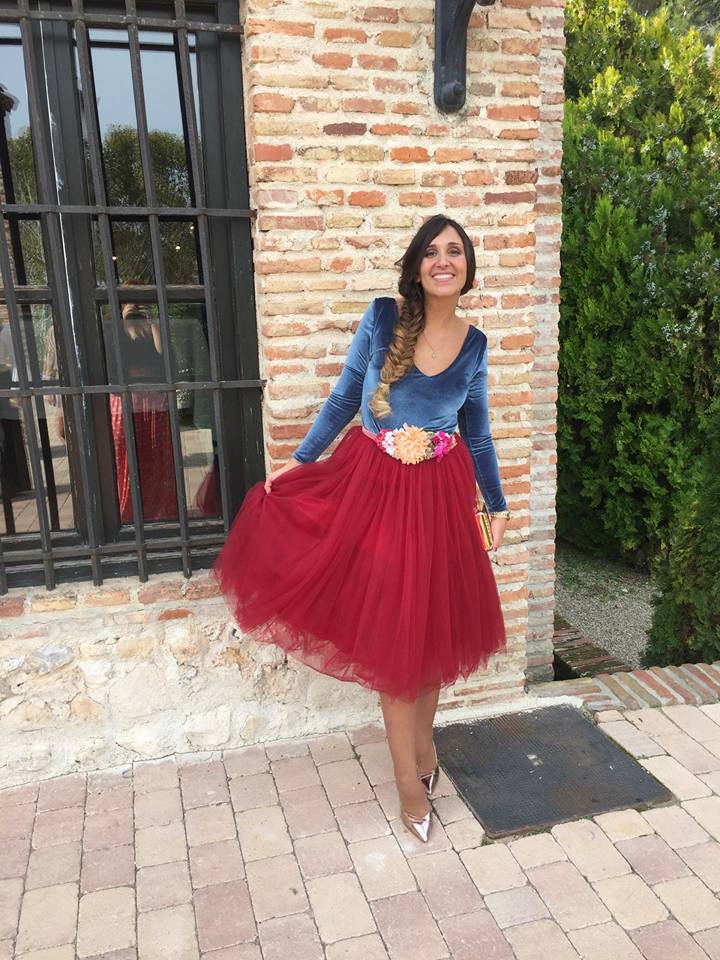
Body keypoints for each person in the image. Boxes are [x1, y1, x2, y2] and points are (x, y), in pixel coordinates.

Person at [213, 214, 509, 843]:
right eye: (431, 252)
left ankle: (424, 752)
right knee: (398, 640)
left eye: (454, 252)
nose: (443, 261)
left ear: (468, 268)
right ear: (416, 266)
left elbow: (479, 433)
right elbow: (347, 395)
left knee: (432, 635)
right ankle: (409, 786)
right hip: (372, 493)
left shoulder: (476, 344)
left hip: (441, 500)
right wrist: (301, 460)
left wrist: (499, 504)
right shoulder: (381, 318)